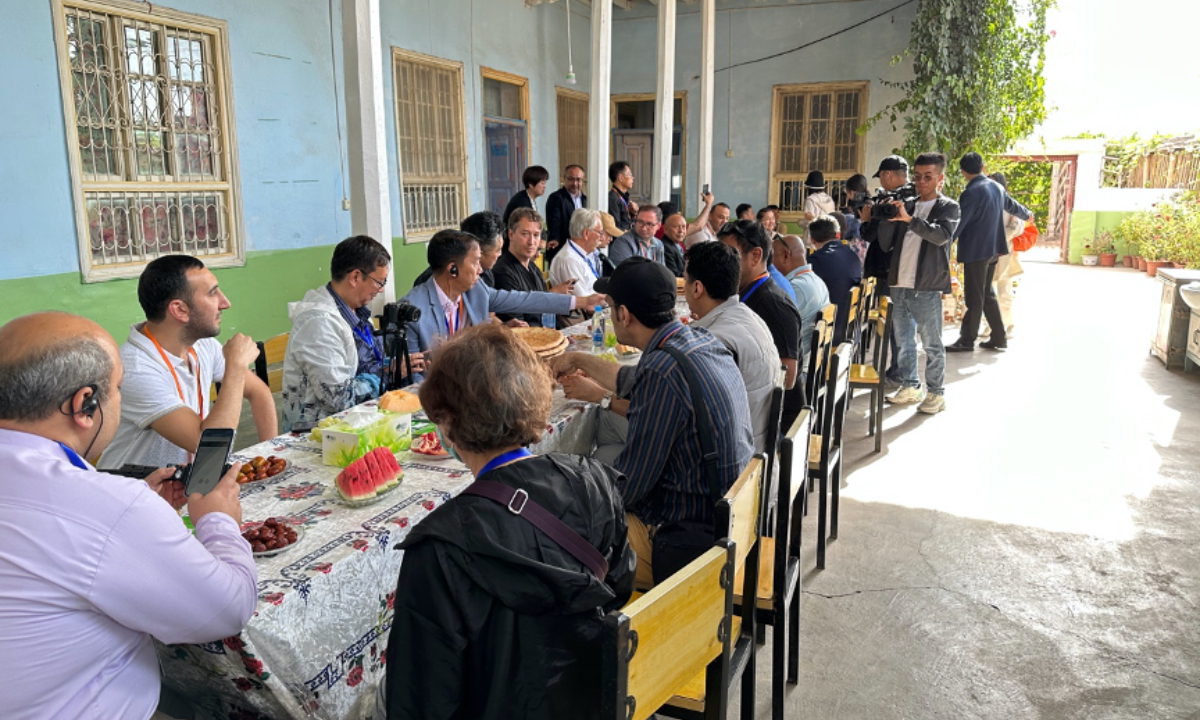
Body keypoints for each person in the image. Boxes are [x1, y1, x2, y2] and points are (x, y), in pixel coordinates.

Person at [0, 312, 256, 720]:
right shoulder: (104, 506)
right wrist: (217, 519)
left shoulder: (105, 503)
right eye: (116, 390)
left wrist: (135, 507)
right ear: (85, 404)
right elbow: (227, 610)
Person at [384, 322, 634, 720]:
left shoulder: (439, 547)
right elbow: (617, 591)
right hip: (589, 698)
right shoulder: (595, 481)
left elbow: (418, 697)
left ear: (446, 423)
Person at [549, 258, 753, 586]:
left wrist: (558, 488)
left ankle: (595, 630)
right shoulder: (697, 342)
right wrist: (577, 358)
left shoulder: (661, 370)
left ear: (624, 315)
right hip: (731, 516)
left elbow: (628, 488)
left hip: (691, 541)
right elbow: (633, 378)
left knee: (557, 531)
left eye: (611, 306)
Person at [98, 255, 276, 470]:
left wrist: (269, 457)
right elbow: (208, 445)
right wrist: (236, 367)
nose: (225, 303)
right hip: (137, 492)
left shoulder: (203, 345)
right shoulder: (135, 369)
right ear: (180, 310)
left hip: (186, 481)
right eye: (212, 293)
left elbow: (259, 392)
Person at [278, 237, 418, 432]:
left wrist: (394, 365)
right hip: (319, 434)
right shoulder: (319, 324)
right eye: (379, 282)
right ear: (354, 277)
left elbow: (367, 366)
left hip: (360, 422)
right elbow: (339, 399)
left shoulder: (357, 313)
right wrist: (387, 375)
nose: (381, 289)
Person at [404, 229, 601, 365]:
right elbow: (413, 377)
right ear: (452, 269)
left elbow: (523, 299)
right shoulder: (411, 309)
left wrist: (581, 301)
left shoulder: (475, 290)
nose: (481, 270)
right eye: (475, 263)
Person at [873, 152, 961, 415]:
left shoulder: (949, 207)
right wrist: (889, 215)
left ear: (940, 179)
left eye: (928, 177)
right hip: (899, 282)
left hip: (926, 285)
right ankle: (911, 385)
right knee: (903, 339)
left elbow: (941, 236)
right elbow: (886, 243)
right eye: (918, 176)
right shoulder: (907, 203)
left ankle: (936, 392)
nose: (921, 182)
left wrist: (910, 220)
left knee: (932, 342)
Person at [684, 241, 781, 453]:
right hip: (759, 445)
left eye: (685, 280)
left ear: (697, 288)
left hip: (735, 462)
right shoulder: (749, 316)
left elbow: (686, 413)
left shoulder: (713, 341)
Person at [947, 152, 1031, 352]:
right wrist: (1027, 214)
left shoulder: (971, 192)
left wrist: (946, 242)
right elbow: (1011, 206)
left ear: (963, 172)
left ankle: (967, 340)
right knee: (986, 293)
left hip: (976, 251)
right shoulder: (997, 187)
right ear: (982, 167)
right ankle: (999, 336)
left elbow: (961, 222)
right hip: (994, 250)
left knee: (974, 297)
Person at [718, 220, 803, 407]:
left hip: (773, 421)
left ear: (755, 256)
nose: (720, 265)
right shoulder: (750, 291)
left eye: (729, 256)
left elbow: (787, 378)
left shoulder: (773, 304)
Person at [860, 155, 912, 387]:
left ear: (887, 175)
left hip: (889, 270)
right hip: (899, 268)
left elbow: (871, 234)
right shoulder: (912, 198)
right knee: (899, 322)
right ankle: (899, 371)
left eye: (881, 176)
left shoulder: (895, 203)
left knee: (894, 323)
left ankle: (900, 373)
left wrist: (866, 219)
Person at [493, 207, 580, 325]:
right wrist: (551, 295)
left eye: (536, 235)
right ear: (511, 234)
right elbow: (519, 324)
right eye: (525, 234)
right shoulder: (503, 272)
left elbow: (545, 311)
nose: (531, 242)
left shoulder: (533, 268)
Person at [772, 233, 831, 373]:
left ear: (786, 256)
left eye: (771, 257)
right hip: (811, 363)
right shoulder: (814, 280)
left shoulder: (796, 288)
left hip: (799, 370)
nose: (769, 263)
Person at [411, 210, 505, 290]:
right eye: (497, 250)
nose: (500, 254)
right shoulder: (430, 282)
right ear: (479, 252)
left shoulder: (486, 276)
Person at [808, 215, 863, 343]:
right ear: (838, 235)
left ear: (812, 239)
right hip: (851, 328)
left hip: (828, 332)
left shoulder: (814, 261)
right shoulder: (852, 255)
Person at [986, 171, 1026, 339]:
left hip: (1004, 253)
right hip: (985, 252)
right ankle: (989, 325)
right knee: (987, 290)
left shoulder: (1010, 204)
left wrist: (998, 237)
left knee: (1003, 291)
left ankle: (1007, 324)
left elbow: (1017, 227)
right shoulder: (984, 203)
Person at [550, 208, 606, 297]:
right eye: (600, 233)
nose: (602, 238)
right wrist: (607, 309)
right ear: (586, 234)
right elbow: (586, 305)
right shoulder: (569, 260)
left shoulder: (582, 255)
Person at [545, 164, 587, 262]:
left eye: (578, 180)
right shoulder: (556, 198)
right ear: (564, 179)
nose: (575, 183)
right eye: (571, 179)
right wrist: (555, 238)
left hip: (581, 249)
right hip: (562, 249)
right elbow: (554, 221)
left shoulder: (585, 200)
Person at [502, 164, 550, 229]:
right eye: (542, 183)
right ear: (531, 184)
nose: (544, 186)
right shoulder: (522, 202)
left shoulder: (527, 197)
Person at [802, 171, 836, 238]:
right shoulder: (829, 199)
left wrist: (801, 223)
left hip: (813, 239)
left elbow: (809, 221)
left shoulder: (810, 200)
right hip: (827, 236)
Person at [607, 161, 638, 233]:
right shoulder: (612, 198)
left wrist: (634, 214)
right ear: (620, 178)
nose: (632, 178)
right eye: (630, 175)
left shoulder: (624, 196)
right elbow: (615, 226)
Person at [659, 213, 690, 277]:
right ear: (665, 229)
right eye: (676, 227)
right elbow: (674, 275)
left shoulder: (676, 244)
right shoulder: (665, 247)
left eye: (684, 227)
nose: (681, 230)